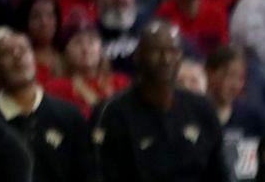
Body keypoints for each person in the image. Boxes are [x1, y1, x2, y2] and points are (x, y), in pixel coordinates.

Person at [90, 20, 230, 182]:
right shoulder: (110, 113)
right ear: (138, 56)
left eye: (173, 51)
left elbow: (219, 174)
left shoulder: (202, 109)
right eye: (156, 51)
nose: (166, 59)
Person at [0, 29, 93, 182]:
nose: (17, 56)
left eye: (24, 49)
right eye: (7, 52)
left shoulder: (69, 115)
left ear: (34, 58)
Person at [203, 47, 265, 182]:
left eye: (241, 78)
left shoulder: (252, 118)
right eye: (230, 75)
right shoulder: (194, 114)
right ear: (209, 72)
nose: (235, 85)